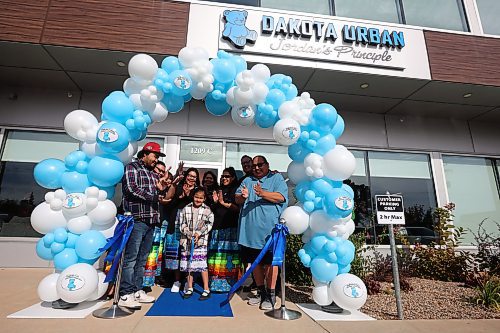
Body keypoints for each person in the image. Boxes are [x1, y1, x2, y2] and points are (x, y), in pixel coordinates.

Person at [119, 142, 169, 310]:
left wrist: (162, 189)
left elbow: (158, 196)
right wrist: (155, 197)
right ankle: (125, 294)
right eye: (155, 156)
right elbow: (131, 190)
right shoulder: (132, 168)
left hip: (151, 221)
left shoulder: (154, 175)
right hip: (137, 219)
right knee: (131, 258)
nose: (156, 160)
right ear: (145, 154)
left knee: (142, 259)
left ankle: (138, 290)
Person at [235, 155, 288, 310]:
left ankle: (271, 295)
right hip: (249, 233)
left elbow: (281, 197)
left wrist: (262, 193)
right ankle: (261, 292)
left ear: (267, 165)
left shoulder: (276, 178)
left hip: (270, 233)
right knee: (255, 264)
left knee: (271, 263)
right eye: (254, 166)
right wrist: (242, 197)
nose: (257, 168)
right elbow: (237, 198)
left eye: (260, 165)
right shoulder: (247, 181)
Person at [163, 167, 200, 292]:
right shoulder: (178, 187)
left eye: (194, 176)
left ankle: (188, 281)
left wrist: (189, 195)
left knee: (189, 253)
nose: (191, 178)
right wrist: (181, 196)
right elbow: (169, 205)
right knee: (176, 254)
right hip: (176, 224)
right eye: (189, 175)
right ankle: (177, 281)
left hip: (191, 225)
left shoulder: (197, 191)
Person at [207, 167, 242, 292]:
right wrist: (215, 202)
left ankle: (231, 284)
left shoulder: (236, 190)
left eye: (227, 176)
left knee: (229, 258)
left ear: (232, 178)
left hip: (230, 228)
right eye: (222, 176)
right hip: (217, 228)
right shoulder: (218, 190)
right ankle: (215, 284)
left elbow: (237, 208)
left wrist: (222, 202)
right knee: (217, 256)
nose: (224, 178)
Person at [178, 187, 214, 300]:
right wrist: (188, 233)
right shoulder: (186, 208)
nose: (198, 200)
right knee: (189, 265)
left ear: (204, 199)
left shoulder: (207, 210)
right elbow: (181, 223)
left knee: (202, 265)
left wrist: (199, 233)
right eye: (196, 197)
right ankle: (189, 287)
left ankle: (206, 288)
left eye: (201, 198)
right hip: (187, 242)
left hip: (200, 242)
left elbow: (209, 224)